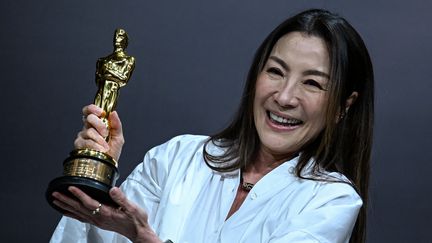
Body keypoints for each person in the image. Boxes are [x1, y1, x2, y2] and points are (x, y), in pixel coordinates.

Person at [50, 8, 374, 243]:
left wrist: (147, 240)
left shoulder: (332, 200)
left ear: (343, 107)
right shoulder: (176, 158)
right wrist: (99, 179)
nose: (285, 97)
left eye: (313, 83)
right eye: (276, 71)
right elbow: (93, 237)